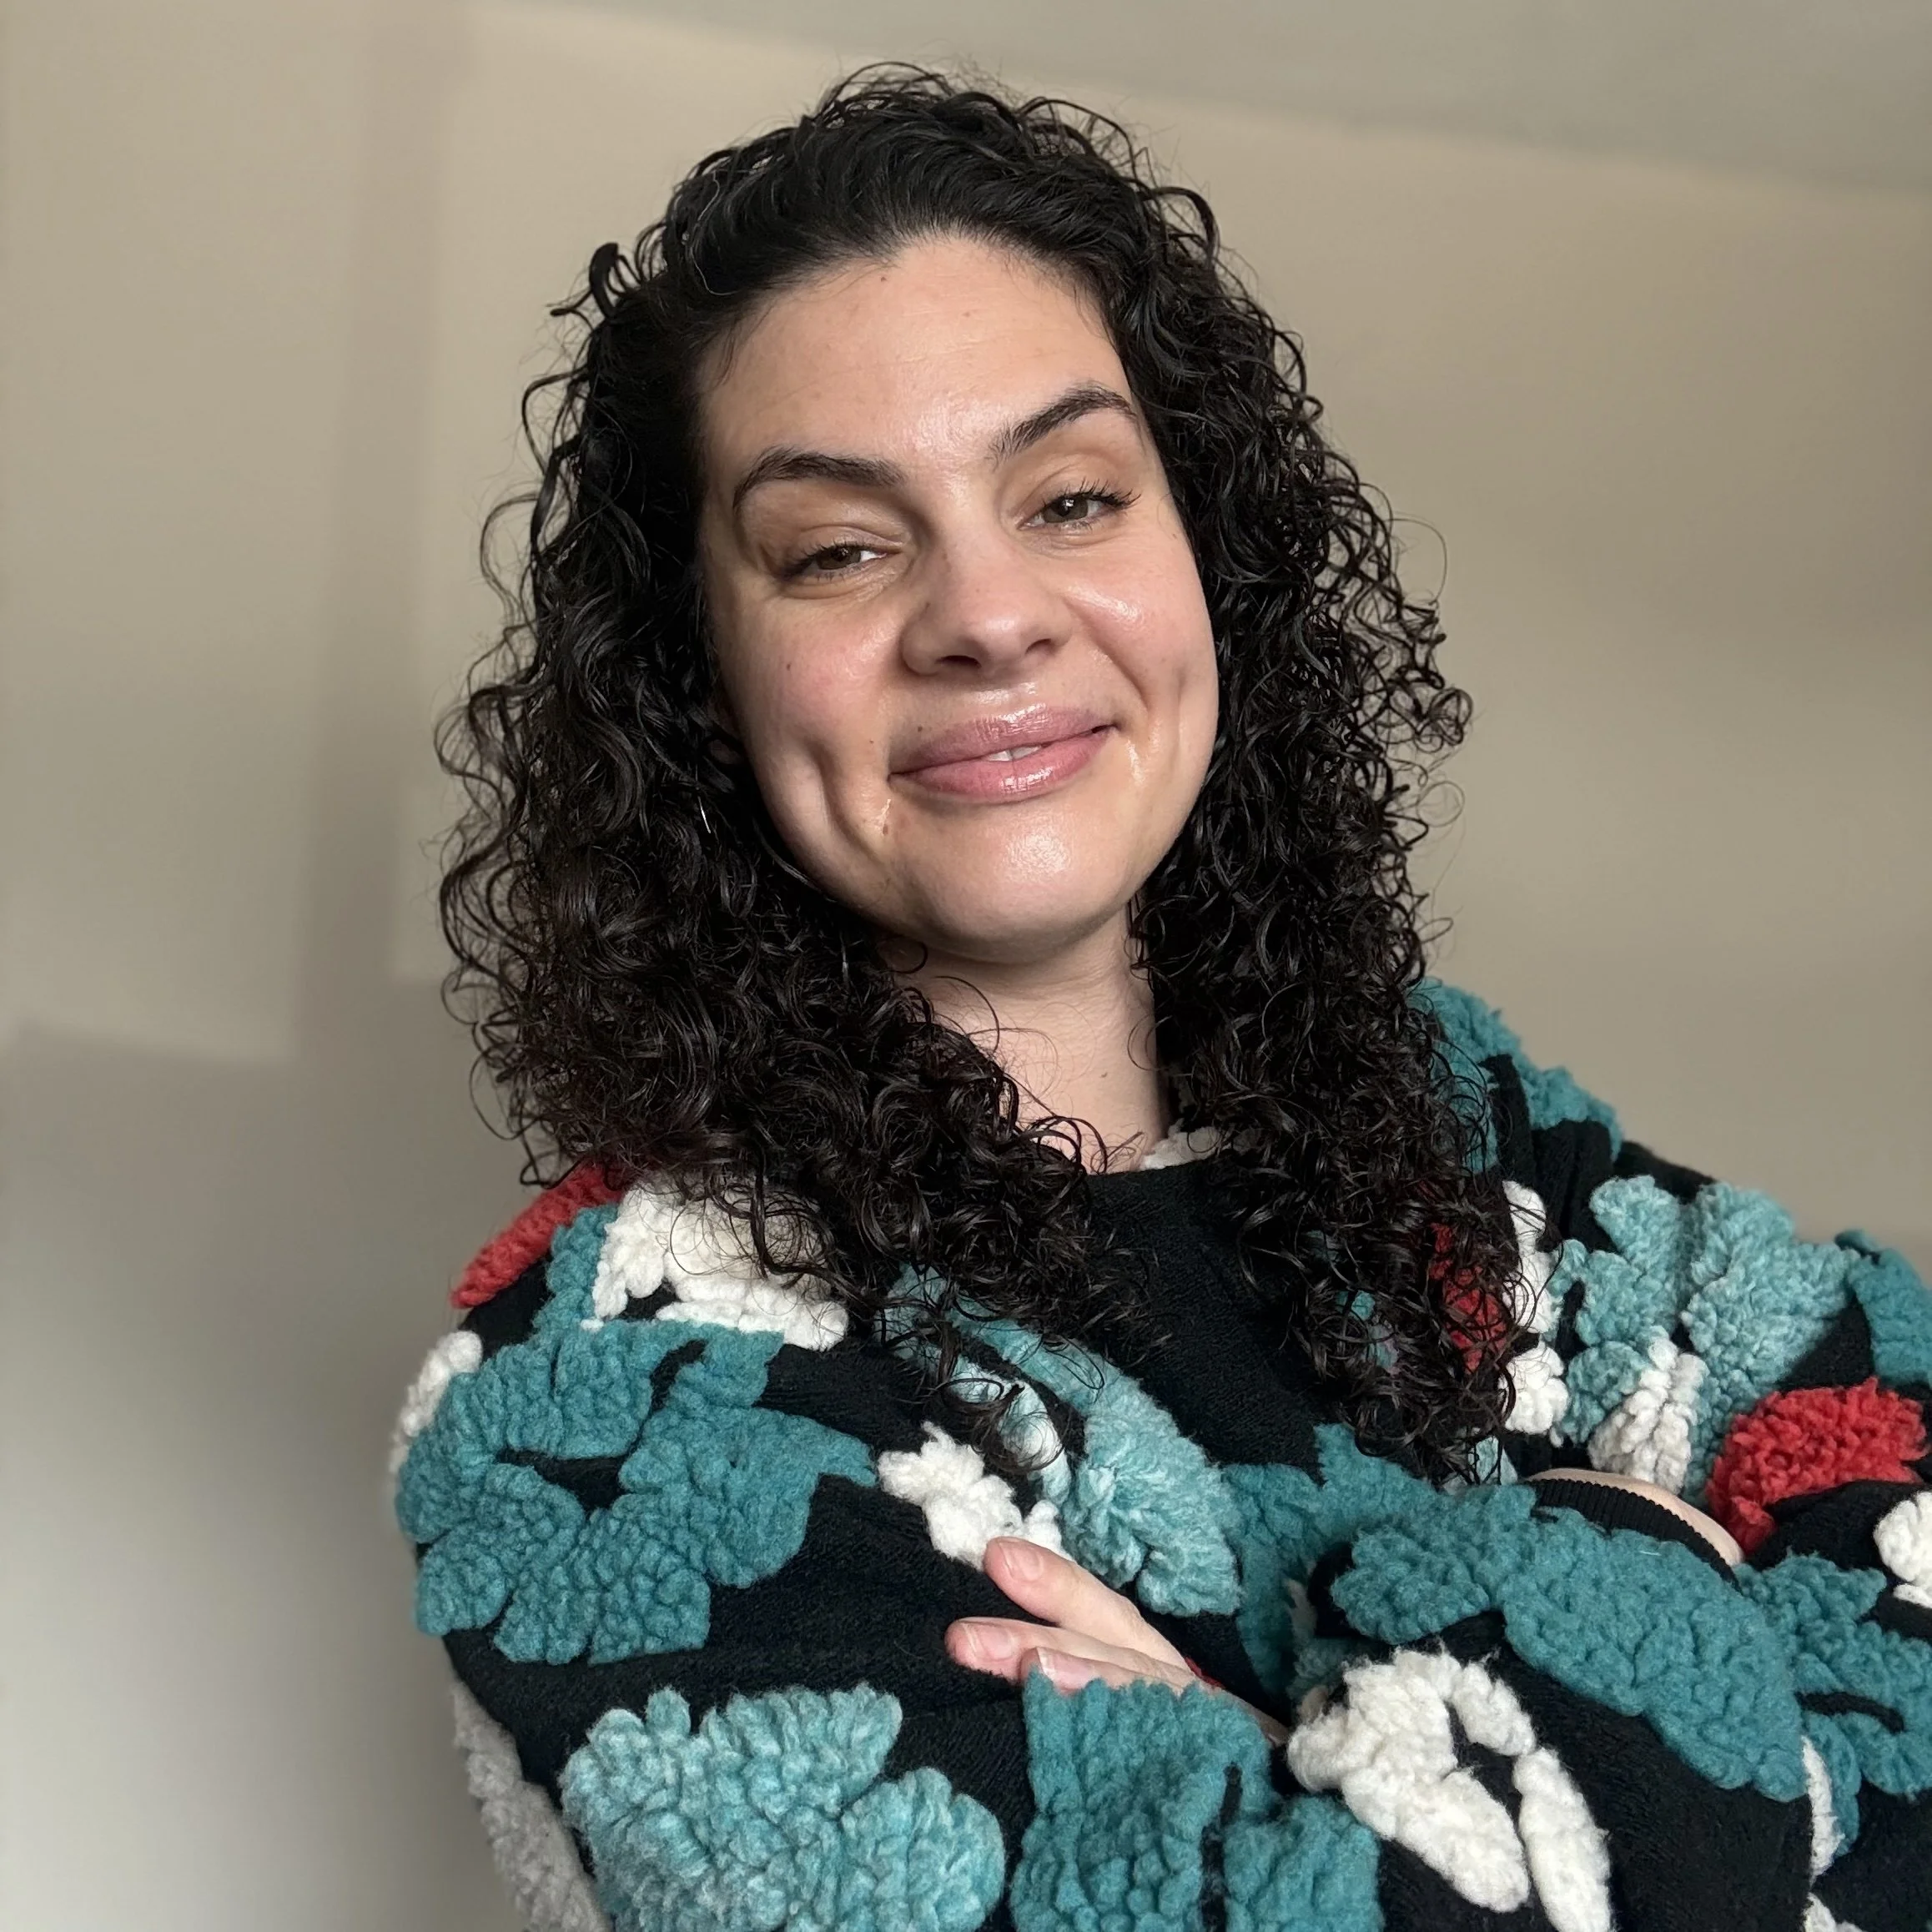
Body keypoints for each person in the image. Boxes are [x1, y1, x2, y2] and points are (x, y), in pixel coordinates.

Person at [391, 68, 1932, 1932]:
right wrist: (1647, 1546)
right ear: (695, 686)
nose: (989, 613)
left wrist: (1315, 1762)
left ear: (1208, 563)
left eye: (1071, 496)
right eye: (841, 548)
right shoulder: (600, 1396)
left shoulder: (1476, 1140)